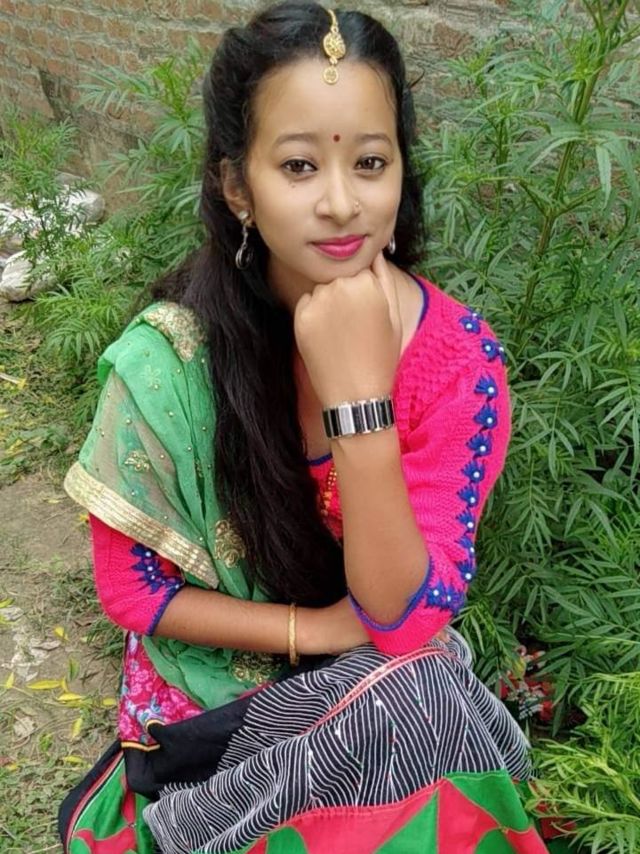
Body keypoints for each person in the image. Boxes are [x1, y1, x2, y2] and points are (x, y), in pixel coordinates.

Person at [59, 3, 550, 852]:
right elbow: (132, 591)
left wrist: (360, 398)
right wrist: (313, 630)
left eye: (370, 163)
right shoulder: (170, 362)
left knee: (421, 697)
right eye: (297, 166)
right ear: (237, 187)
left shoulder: (456, 364)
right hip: (211, 696)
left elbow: (403, 622)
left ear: (402, 173)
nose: (341, 203)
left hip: (381, 673)